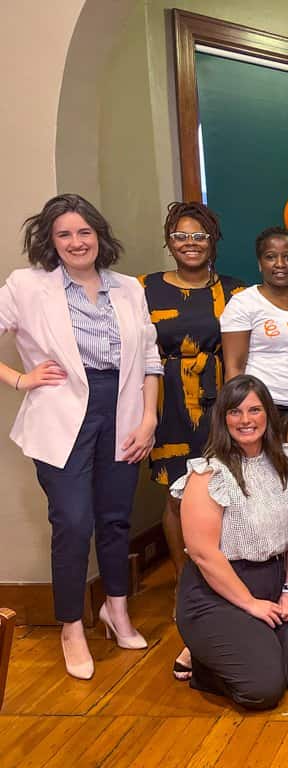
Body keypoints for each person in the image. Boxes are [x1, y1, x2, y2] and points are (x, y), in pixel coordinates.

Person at [0, 194, 162, 679]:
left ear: (99, 235)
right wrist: (19, 379)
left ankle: (116, 610)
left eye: (84, 231)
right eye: (64, 234)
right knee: (73, 522)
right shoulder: (27, 286)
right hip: (62, 412)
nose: (76, 242)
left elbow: (150, 357)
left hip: (124, 410)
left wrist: (150, 418)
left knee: (115, 519)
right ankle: (71, 626)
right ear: (50, 241)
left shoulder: (128, 289)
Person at [172, 375, 288, 709]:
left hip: (274, 580)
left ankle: (253, 649)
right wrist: (249, 603)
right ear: (223, 418)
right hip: (219, 591)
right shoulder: (209, 474)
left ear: (268, 414)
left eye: (254, 410)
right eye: (235, 411)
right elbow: (203, 553)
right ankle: (205, 664)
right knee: (262, 689)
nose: (245, 420)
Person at [140, 201, 245, 680]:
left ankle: (219, 580)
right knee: (175, 493)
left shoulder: (232, 292)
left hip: (217, 399)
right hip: (165, 403)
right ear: (169, 240)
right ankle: (186, 584)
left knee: (218, 491)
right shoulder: (145, 288)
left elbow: (237, 356)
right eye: (181, 235)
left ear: (212, 241)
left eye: (199, 235)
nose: (190, 243)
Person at [221, 226, 288, 412]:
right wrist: (236, 411)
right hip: (261, 406)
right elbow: (234, 368)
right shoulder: (243, 303)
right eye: (270, 257)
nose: (280, 264)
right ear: (260, 263)